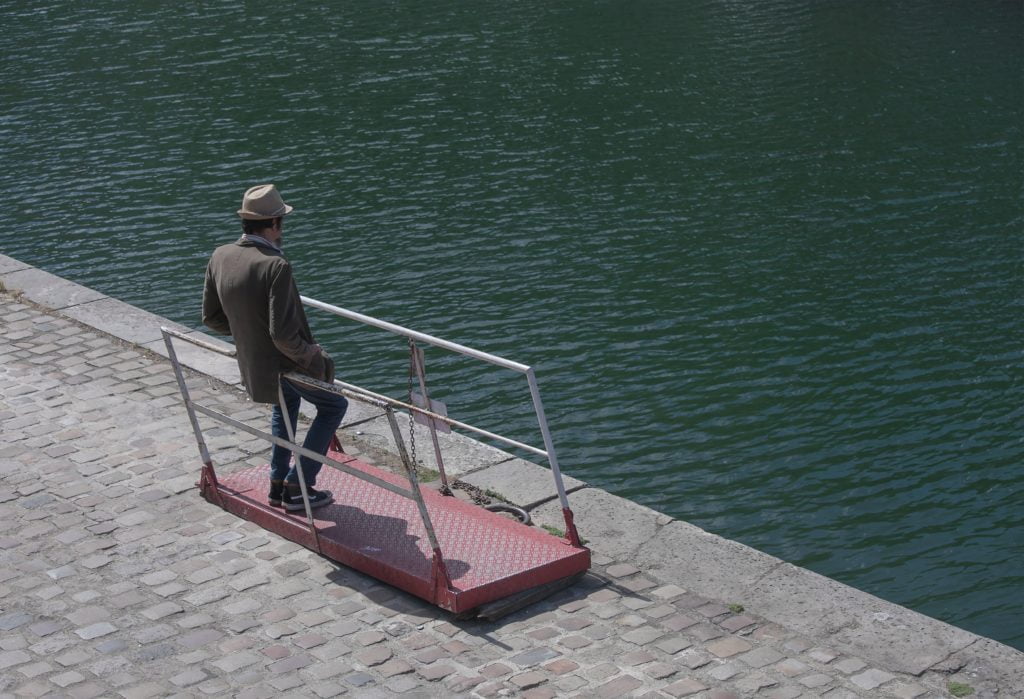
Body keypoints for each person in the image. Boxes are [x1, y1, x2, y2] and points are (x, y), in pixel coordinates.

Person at [202, 184, 346, 511]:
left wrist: (249, 335)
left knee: (285, 408)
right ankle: (300, 483)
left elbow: (211, 318)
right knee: (335, 406)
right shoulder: (276, 266)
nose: (283, 230)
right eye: (282, 222)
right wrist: (314, 355)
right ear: (274, 224)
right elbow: (282, 335)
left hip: (255, 364)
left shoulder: (221, 255)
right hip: (283, 365)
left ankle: (278, 484)